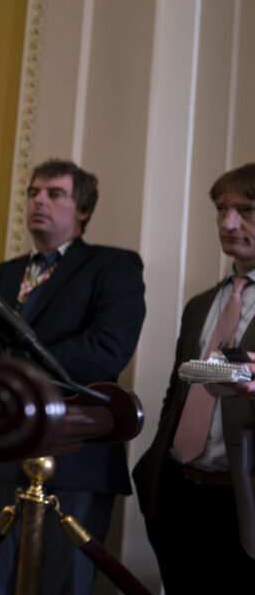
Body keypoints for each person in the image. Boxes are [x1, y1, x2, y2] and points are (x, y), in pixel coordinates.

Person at [0, 159, 145, 595]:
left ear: (82, 210)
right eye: (33, 192)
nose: (38, 199)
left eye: (54, 193)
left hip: (75, 455)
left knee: (64, 587)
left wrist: (10, 376)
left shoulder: (114, 267)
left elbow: (105, 350)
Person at [133, 163, 255, 593]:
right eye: (221, 210)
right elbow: (177, 391)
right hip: (177, 493)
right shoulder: (202, 304)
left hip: (244, 502)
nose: (228, 222)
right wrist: (154, 470)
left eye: (246, 210)